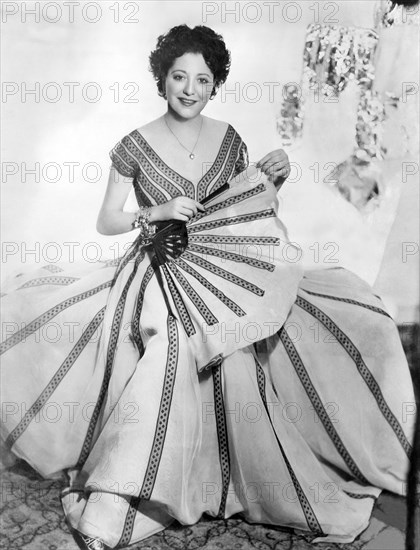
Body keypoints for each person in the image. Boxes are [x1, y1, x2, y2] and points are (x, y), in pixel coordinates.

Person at [0, 24, 415, 550]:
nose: (189, 89)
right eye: (179, 77)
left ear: (215, 83)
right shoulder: (133, 144)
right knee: (170, 346)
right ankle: (137, 487)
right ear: (162, 79)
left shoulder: (229, 138)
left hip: (220, 270)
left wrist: (270, 179)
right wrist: (156, 211)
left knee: (329, 320)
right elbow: (106, 220)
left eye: (202, 79)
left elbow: (241, 211)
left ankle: (232, 474)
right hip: (156, 269)